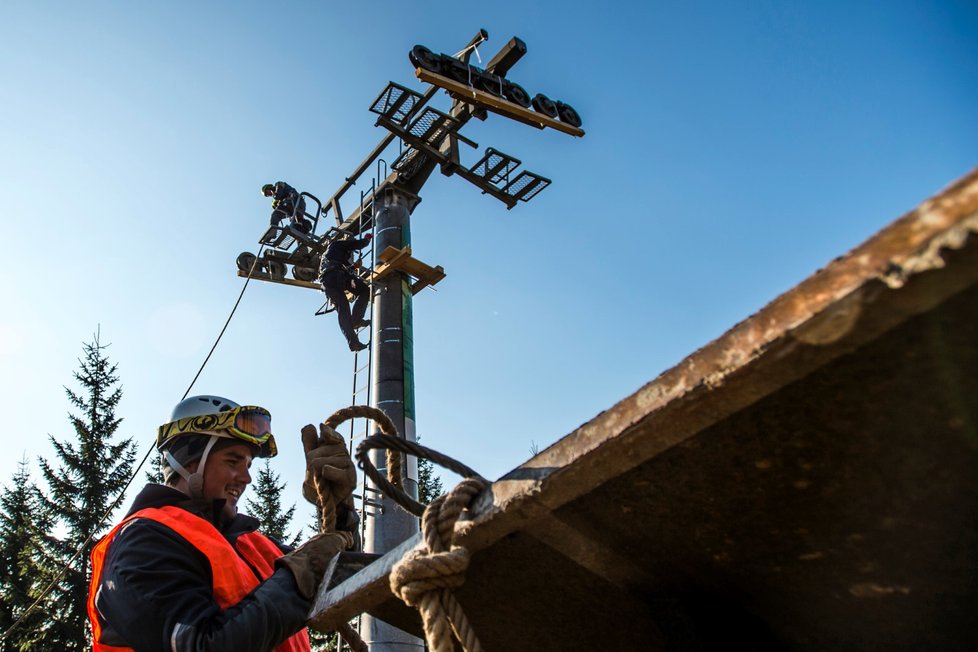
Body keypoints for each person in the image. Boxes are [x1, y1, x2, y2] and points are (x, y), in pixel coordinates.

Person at [87, 395, 360, 652]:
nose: (246, 478)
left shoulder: (257, 546)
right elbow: (203, 644)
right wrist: (303, 573)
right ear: (189, 463)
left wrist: (340, 511)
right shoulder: (144, 541)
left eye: (249, 465)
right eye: (232, 461)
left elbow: (347, 581)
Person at [318, 233, 373, 352]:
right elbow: (357, 244)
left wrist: (353, 266)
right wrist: (367, 239)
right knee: (351, 302)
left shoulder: (333, 256)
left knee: (348, 306)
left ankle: (355, 332)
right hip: (334, 277)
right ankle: (356, 327)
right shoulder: (337, 244)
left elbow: (343, 267)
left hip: (334, 279)